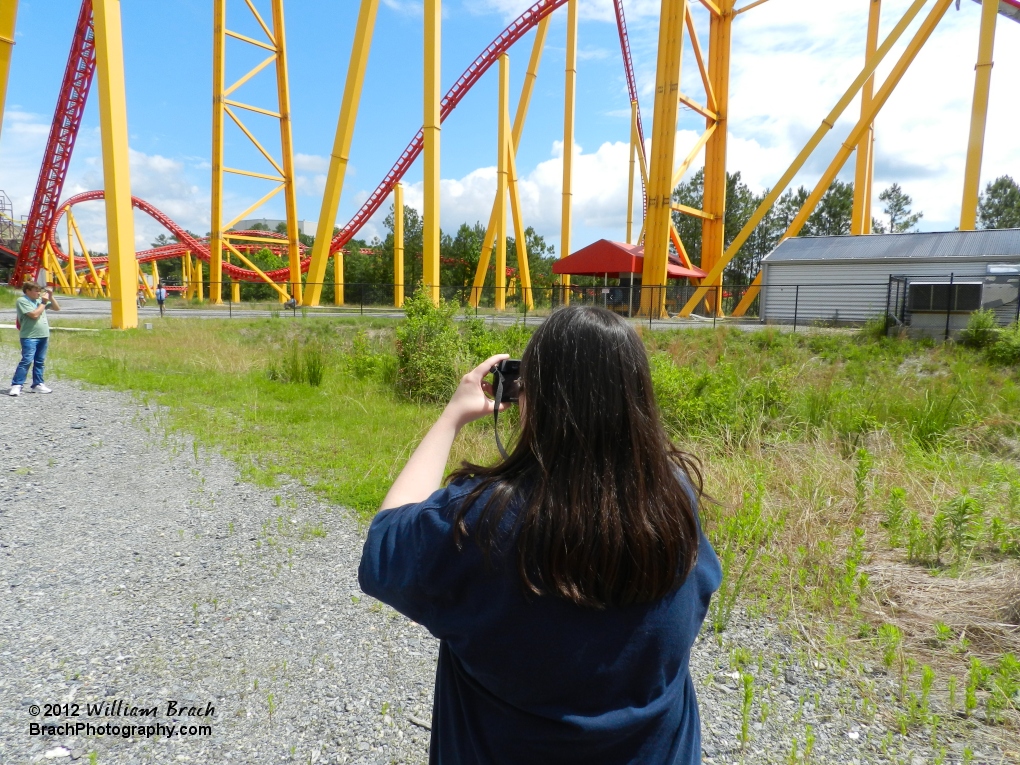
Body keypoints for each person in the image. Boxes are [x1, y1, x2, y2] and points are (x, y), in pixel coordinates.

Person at [359, 306, 721, 764]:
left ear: (533, 395)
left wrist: (452, 416)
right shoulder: (673, 500)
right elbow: (703, 590)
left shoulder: (479, 522)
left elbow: (382, 547)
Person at [10, 281, 60, 396]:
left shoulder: (38, 301)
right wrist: (43, 302)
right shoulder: (22, 301)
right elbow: (34, 315)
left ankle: (38, 384)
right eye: (36, 290)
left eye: (39, 290)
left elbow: (57, 308)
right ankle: (17, 385)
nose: (38, 292)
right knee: (26, 360)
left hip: (43, 335)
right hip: (29, 336)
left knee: (40, 361)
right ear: (28, 291)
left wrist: (51, 297)